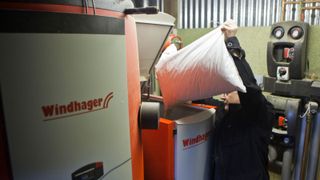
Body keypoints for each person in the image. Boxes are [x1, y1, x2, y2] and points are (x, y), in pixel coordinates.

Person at [195, 20, 274, 180]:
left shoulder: (259, 115)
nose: (223, 94)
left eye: (228, 88)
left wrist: (231, 43)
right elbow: (197, 96)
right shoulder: (222, 111)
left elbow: (250, 89)